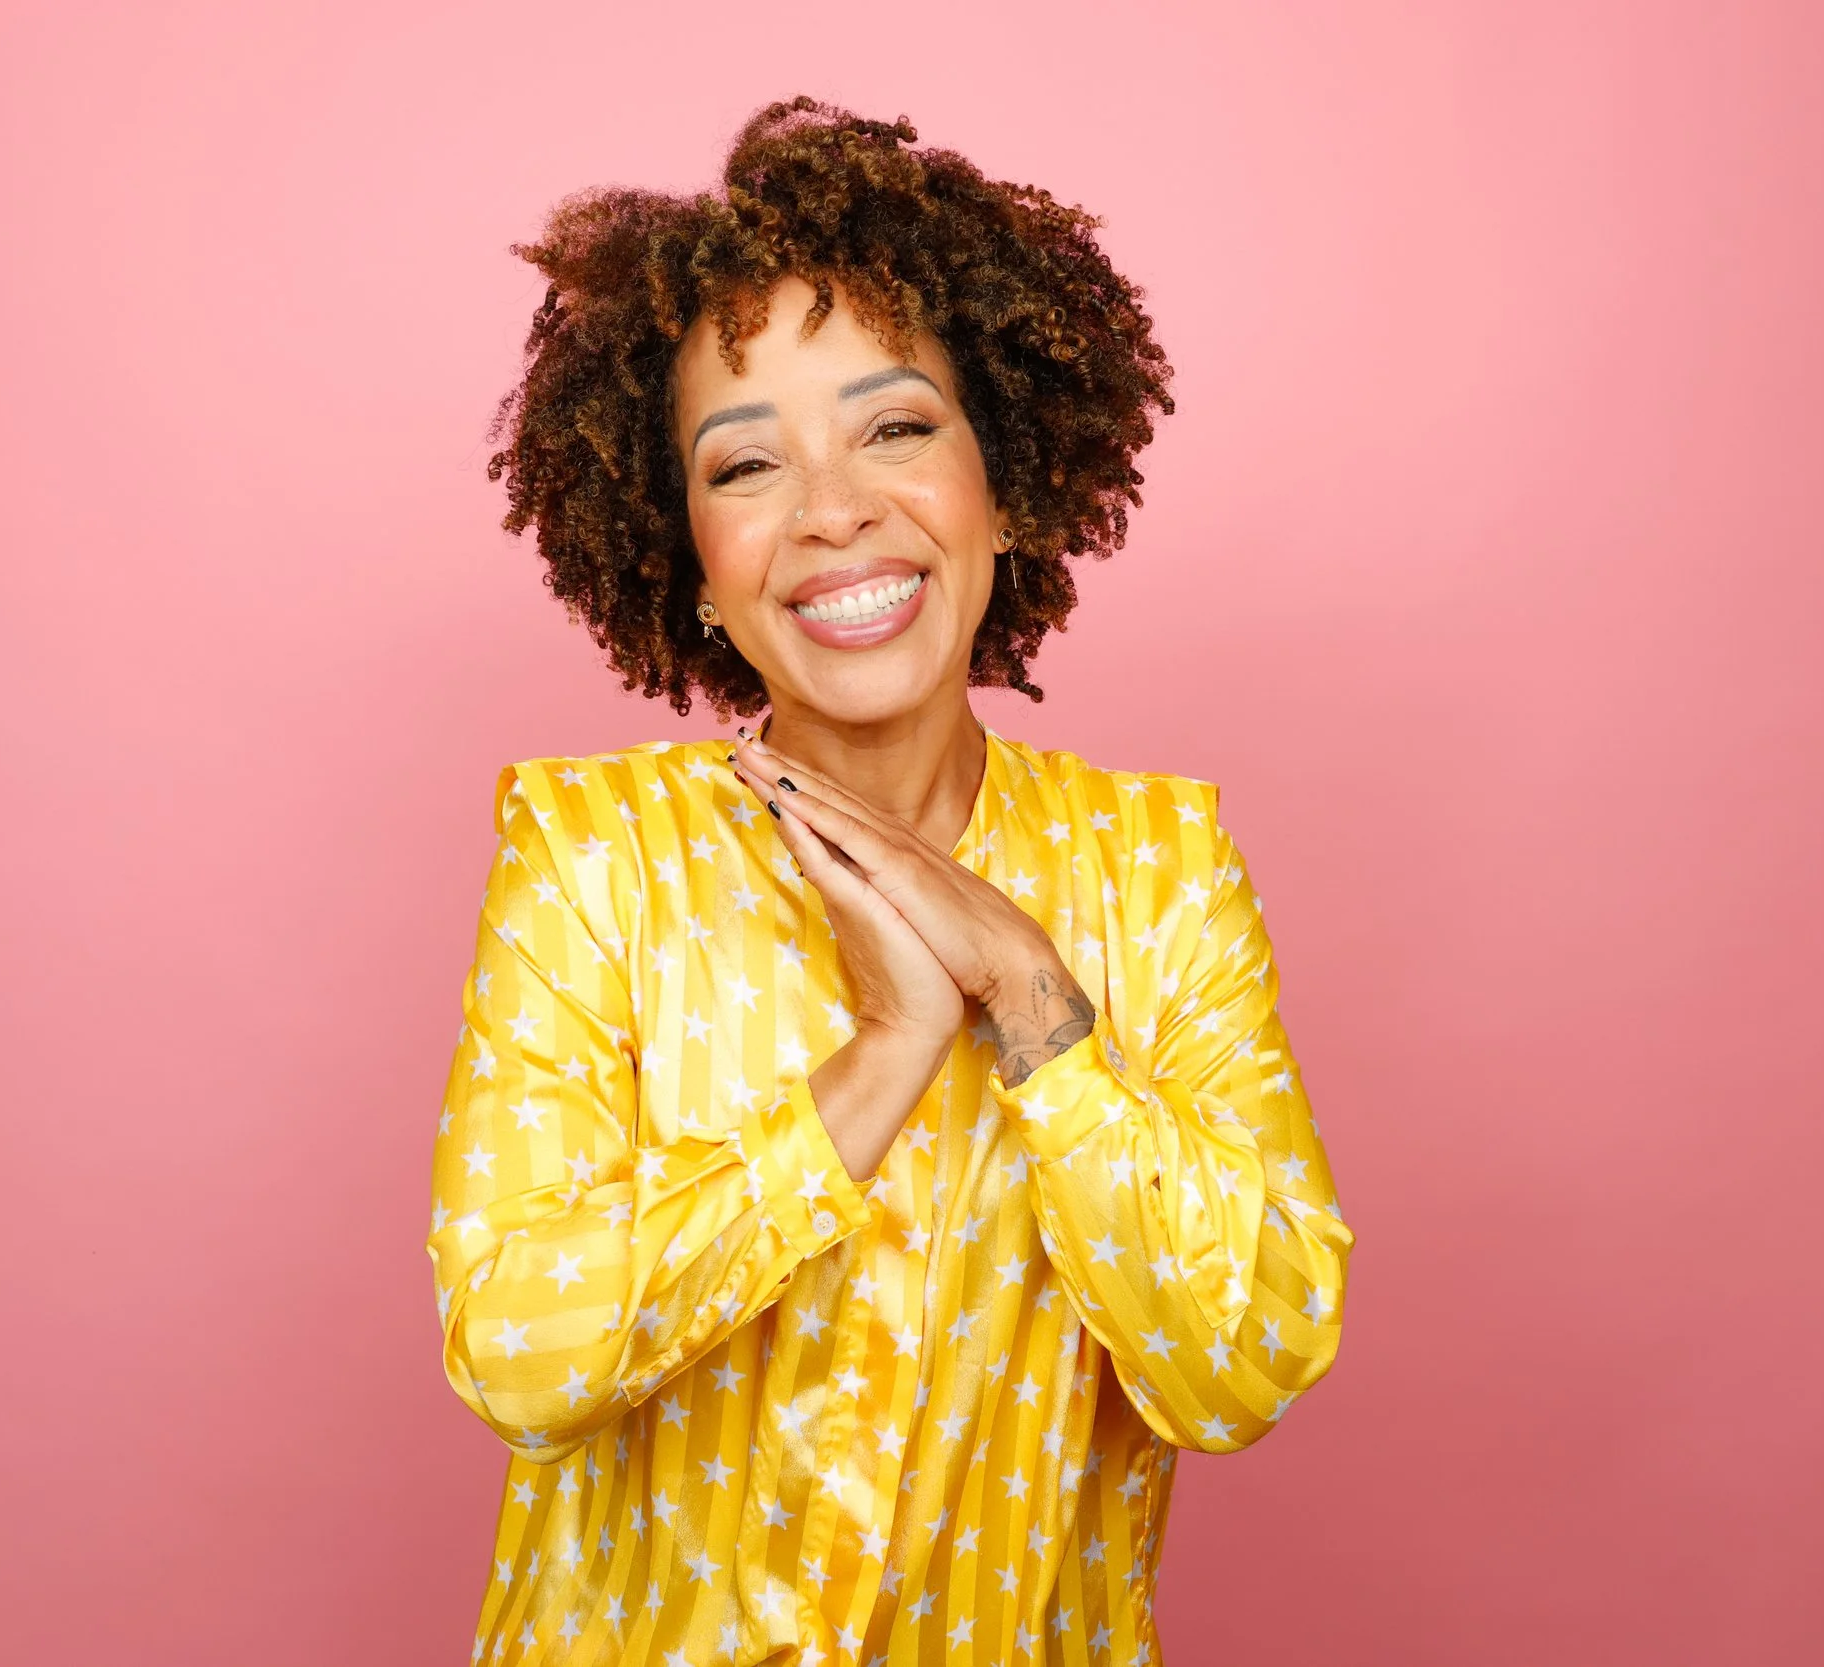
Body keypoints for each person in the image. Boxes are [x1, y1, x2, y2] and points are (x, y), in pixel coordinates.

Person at [429, 96, 1353, 1666]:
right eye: (746, 466)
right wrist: (875, 1065)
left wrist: (1038, 1009)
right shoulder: (595, 858)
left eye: (898, 426)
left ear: (1005, 483)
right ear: (696, 572)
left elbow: (1247, 1360)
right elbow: (520, 1346)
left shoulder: (1161, 870)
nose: (835, 508)